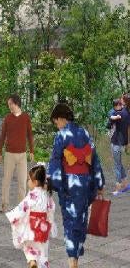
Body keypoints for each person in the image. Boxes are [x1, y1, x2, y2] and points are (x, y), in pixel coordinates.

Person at [46, 103, 105, 268]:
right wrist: (99, 183)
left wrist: (53, 183)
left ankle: (72, 262)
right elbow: (95, 160)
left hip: (70, 185)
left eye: (56, 122)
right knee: (81, 220)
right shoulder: (84, 132)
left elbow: (56, 162)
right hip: (85, 184)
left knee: (70, 222)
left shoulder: (61, 135)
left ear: (61, 118)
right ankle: (76, 257)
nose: (57, 126)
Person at [7, 164, 55, 268]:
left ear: (35, 182)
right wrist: (50, 222)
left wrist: (13, 216)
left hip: (32, 228)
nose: (27, 181)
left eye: (29, 179)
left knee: (28, 247)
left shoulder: (32, 195)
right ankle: (42, 264)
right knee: (42, 252)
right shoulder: (46, 194)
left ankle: (32, 260)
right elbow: (51, 208)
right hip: (43, 228)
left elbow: (23, 208)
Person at [0, 93, 34, 214]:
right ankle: (4, 205)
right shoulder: (8, 118)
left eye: (10, 104)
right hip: (9, 154)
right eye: (8, 104)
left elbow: (30, 135)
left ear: (16, 103)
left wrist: (32, 151)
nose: (9, 106)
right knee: (6, 181)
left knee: (22, 183)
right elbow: (2, 136)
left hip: (22, 155)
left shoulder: (26, 117)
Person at [107, 96, 129, 186]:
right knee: (119, 163)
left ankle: (118, 184)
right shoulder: (126, 113)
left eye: (121, 101)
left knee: (117, 164)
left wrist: (114, 117)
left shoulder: (119, 113)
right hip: (122, 142)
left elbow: (109, 123)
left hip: (116, 142)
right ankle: (125, 182)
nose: (121, 103)